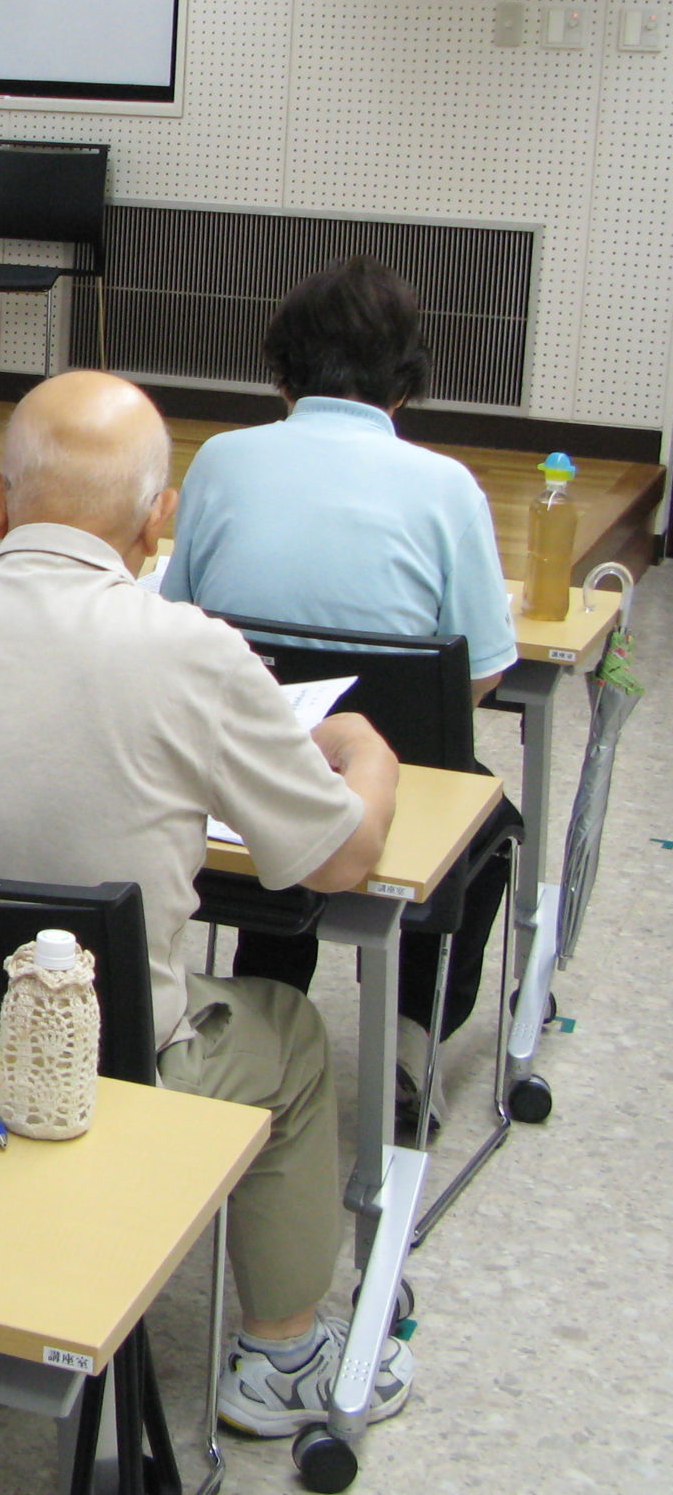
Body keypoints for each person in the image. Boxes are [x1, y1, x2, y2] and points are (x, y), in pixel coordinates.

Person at [0, 371, 414, 1442]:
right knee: (290, 1036)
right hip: (108, 1068)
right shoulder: (194, 651)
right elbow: (338, 861)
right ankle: (281, 1358)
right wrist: (365, 754)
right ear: (158, 523)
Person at [163, 258, 519, 1128]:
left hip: (241, 781)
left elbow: (174, 624)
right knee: (492, 829)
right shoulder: (447, 488)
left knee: (271, 783)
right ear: (405, 383)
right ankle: (405, 1049)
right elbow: (483, 670)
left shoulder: (220, 459)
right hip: (380, 785)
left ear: (280, 370)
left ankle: (260, 1009)